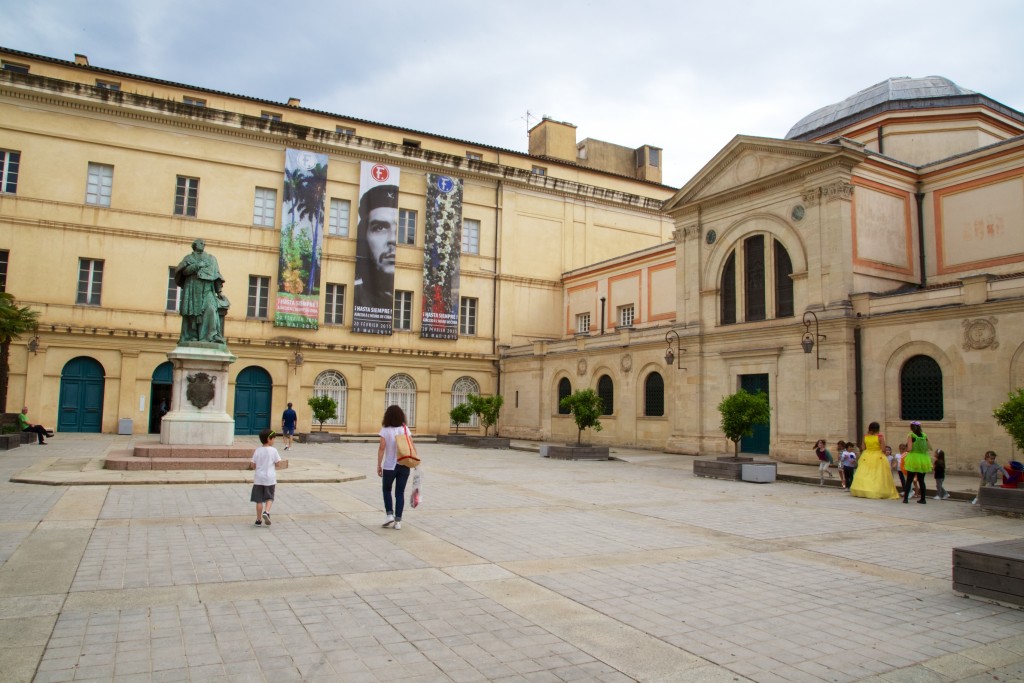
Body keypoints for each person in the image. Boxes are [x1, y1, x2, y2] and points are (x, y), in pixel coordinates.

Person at [354, 184, 399, 312]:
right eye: (380, 228)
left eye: (401, 229)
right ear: (364, 236)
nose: (392, 239)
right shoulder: (352, 298)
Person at [174, 238, 228, 344]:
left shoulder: (211, 259)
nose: (203, 244)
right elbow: (184, 272)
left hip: (207, 288)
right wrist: (197, 266)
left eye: (204, 243)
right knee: (192, 313)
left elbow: (216, 275)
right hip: (193, 288)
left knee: (211, 309)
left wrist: (219, 291)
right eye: (201, 243)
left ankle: (211, 336)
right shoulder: (188, 258)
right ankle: (191, 336)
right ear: (194, 245)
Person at [376, 404, 413, 530]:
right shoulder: (405, 428)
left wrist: (378, 465)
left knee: (386, 490)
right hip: (404, 464)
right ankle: (398, 521)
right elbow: (411, 446)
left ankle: (389, 515)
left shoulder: (385, 430)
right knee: (400, 492)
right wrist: (415, 461)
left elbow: (381, 448)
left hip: (389, 466)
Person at [850, 422, 899, 499]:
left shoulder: (865, 436)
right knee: (877, 474)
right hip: (877, 455)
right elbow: (883, 448)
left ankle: (863, 489)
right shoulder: (880, 437)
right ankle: (876, 490)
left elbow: (863, 447)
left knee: (865, 472)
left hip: (867, 455)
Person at [249, 428, 282, 526]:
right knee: (269, 497)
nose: (274, 441)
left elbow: (252, 465)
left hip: (258, 479)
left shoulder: (258, 450)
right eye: (273, 439)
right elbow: (278, 463)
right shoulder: (273, 451)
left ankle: (258, 520)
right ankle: (266, 512)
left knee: (258, 500)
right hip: (269, 479)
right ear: (269, 439)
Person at [903, 421, 932, 504]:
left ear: (911, 428)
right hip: (923, 458)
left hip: (913, 458)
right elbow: (929, 447)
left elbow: (909, 448)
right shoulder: (924, 435)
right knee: (921, 480)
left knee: (909, 479)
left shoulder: (911, 435)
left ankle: (906, 499)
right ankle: (923, 499)